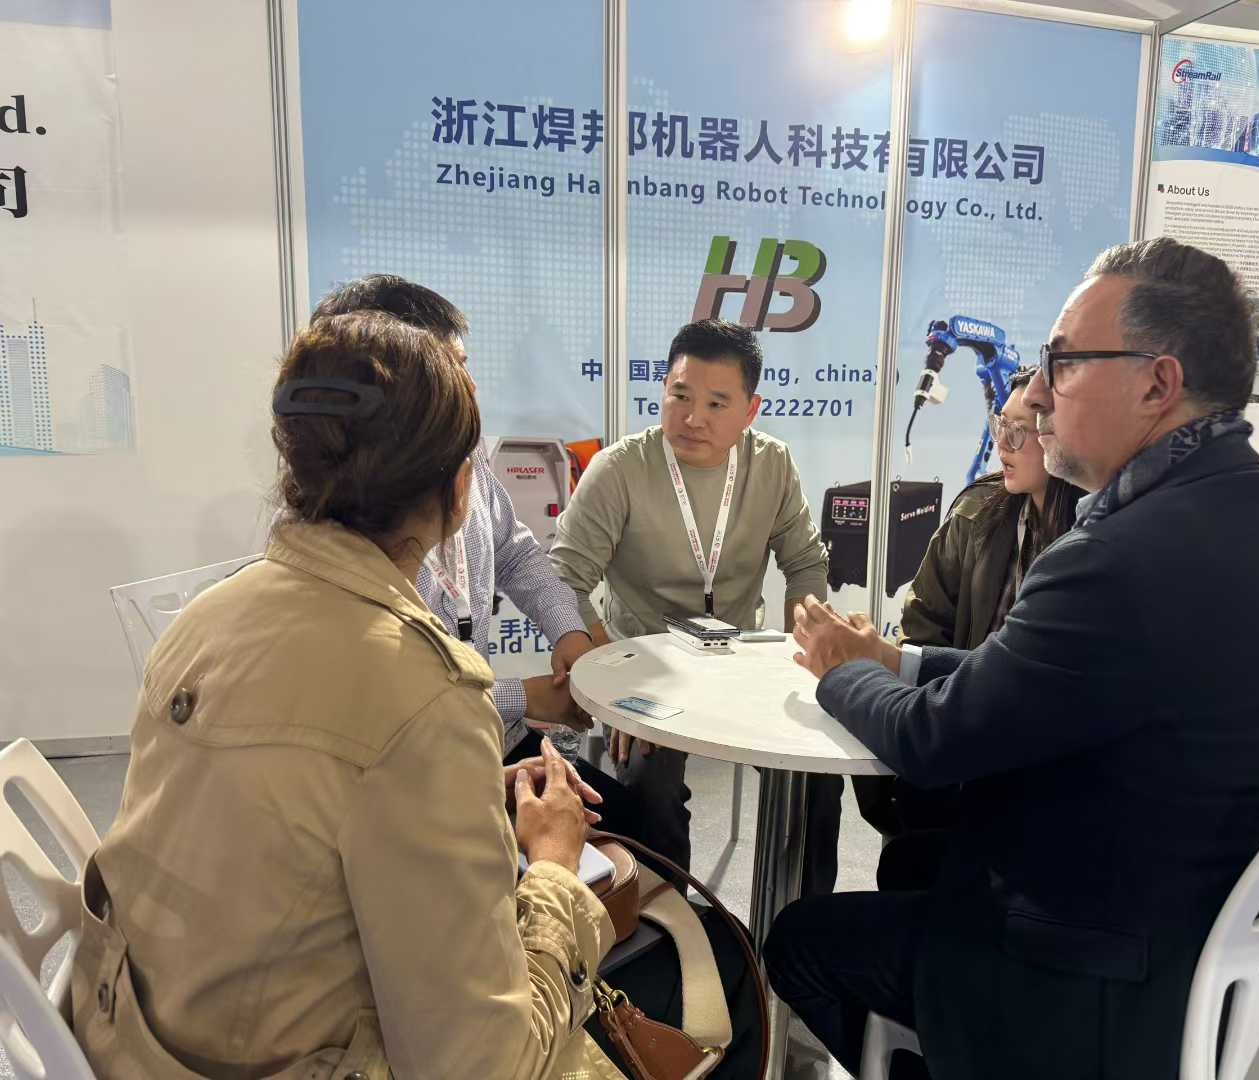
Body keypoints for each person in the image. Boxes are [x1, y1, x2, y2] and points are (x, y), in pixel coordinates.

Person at [764, 237, 1259, 1079]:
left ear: (1158, 384)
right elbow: (1030, 677)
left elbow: (934, 743)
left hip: (1099, 978)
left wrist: (839, 668)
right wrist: (896, 660)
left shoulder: (1125, 557)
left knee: (801, 941)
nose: (1038, 393)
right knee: (918, 867)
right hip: (1191, 937)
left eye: (1065, 363)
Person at [71, 312, 625, 1078]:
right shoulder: (424, 692)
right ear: (459, 487)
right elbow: (479, 1064)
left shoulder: (205, 617)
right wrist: (557, 866)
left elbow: (292, 801)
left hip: (133, 1036)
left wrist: (465, 789)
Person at [548, 318, 839, 892]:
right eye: (680, 396)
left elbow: (805, 563)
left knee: (817, 775)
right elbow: (564, 580)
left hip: (742, 662)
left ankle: (800, 925)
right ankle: (674, 926)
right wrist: (612, 681)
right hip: (645, 672)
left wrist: (801, 653)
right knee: (649, 786)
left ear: (750, 411)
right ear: (663, 389)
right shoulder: (621, 469)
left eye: (716, 403)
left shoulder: (772, 464)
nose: (693, 418)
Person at [311, 275, 594, 754]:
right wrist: (524, 697)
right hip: (403, 759)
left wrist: (568, 628)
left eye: (465, 365)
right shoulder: (341, 515)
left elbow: (514, 552)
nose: (471, 385)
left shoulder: (467, 450)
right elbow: (388, 700)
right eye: (452, 368)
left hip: (483, 735)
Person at [853, 367, 1083, 863]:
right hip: (960, 724)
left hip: (1040, 759)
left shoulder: (1094, 540)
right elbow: (923, 624)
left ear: (1062, 437)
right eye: (1001, 424)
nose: (1003, 444)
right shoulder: (977, 511)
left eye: (1020, 431)